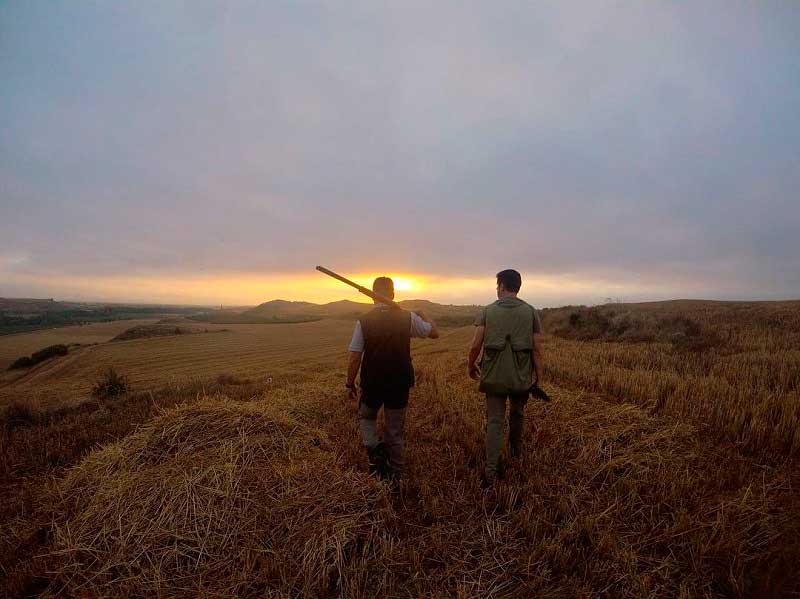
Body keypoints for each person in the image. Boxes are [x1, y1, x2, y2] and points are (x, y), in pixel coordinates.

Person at [346, 276, 439, 481]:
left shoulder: (364, 321)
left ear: (372, 296)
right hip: (399, 382)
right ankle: (396, 476)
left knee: (366, 417)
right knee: (395, 432)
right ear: (393, 294)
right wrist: (423, 314)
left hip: (372, 383)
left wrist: (349, 383)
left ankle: (374, 449)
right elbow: (434, 333)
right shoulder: (407, 318)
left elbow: (354, 357)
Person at [467, 269, 543, 485]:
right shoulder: (530, 312)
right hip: (520, 375)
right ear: (517, 287)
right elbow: (537, 349)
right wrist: (540, 378)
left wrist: (470, 366)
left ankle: (491, 470)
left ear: (501, 285)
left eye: (497, 285)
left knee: (494, 420)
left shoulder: (488, 311)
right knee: (518, 414)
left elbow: (475, 345)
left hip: (494, 375)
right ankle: (516, 455)